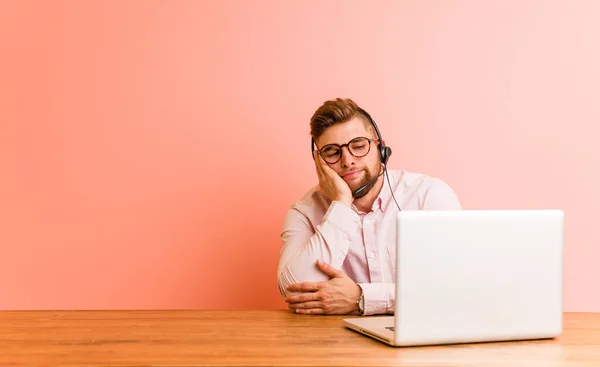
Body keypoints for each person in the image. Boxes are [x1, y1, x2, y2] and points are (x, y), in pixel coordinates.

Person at [277, 98, 462, 316]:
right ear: (319, 161)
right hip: (340, 344)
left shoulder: (428, 195)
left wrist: (361, 298)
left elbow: (455, 287)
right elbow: (298, 291)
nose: (347, 161)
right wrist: (342, 202)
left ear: (380, 147)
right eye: (332, 152)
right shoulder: (304, 211)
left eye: (358, 146)